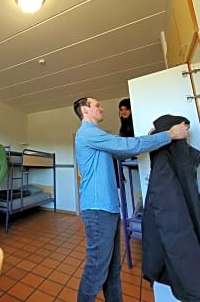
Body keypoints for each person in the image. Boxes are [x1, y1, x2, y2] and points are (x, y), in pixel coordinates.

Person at [73, 97, 189, 302]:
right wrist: (169, 134)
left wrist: (149, 138)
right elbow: (128, 145)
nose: (102, 108)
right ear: (85, 109)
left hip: (107, 209)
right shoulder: (87, 132)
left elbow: (125, 150)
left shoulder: (98, 137)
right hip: (98, 210)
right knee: (97, 269)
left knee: (112, 268)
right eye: (97, 105)